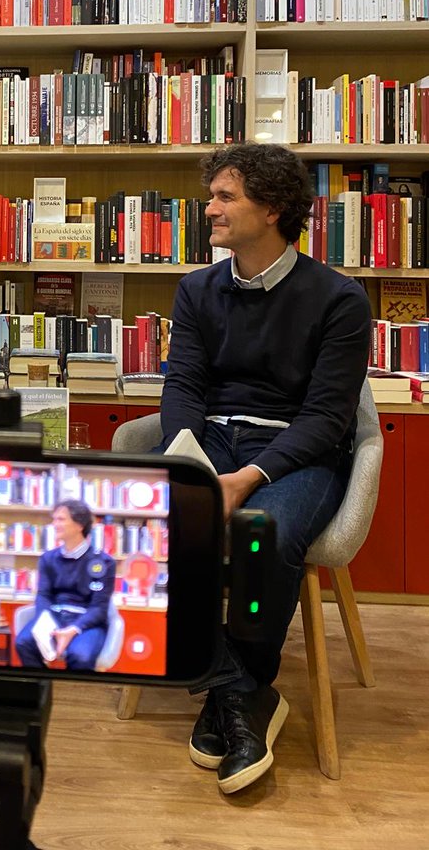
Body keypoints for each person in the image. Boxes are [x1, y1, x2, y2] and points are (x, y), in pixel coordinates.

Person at [159, 142, 371, 796]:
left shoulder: (340, 299)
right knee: (141, 514)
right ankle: (239, 694)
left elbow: (327, 420)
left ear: (272, 209)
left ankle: (235, 685)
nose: (210, 208)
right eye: (212, 195)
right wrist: (191, 465)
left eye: (226, 197)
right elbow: (183, 387)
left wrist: (246, 480)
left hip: (296, 453)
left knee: (263, 533)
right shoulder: (197, 289)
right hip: (215, 442)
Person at [15, 499, 116, 671]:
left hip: (86, 622)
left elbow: (98, 608)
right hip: (54, 616)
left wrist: (73, 630)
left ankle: (73, 696)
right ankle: (44, 689)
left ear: (79, 525)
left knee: (80, 656)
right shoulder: (48, 559)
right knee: (23, 643)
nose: (54, 524)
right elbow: (44, 595)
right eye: (54, 519)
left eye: (61, 519)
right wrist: (46, 622)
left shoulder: (103, 562)